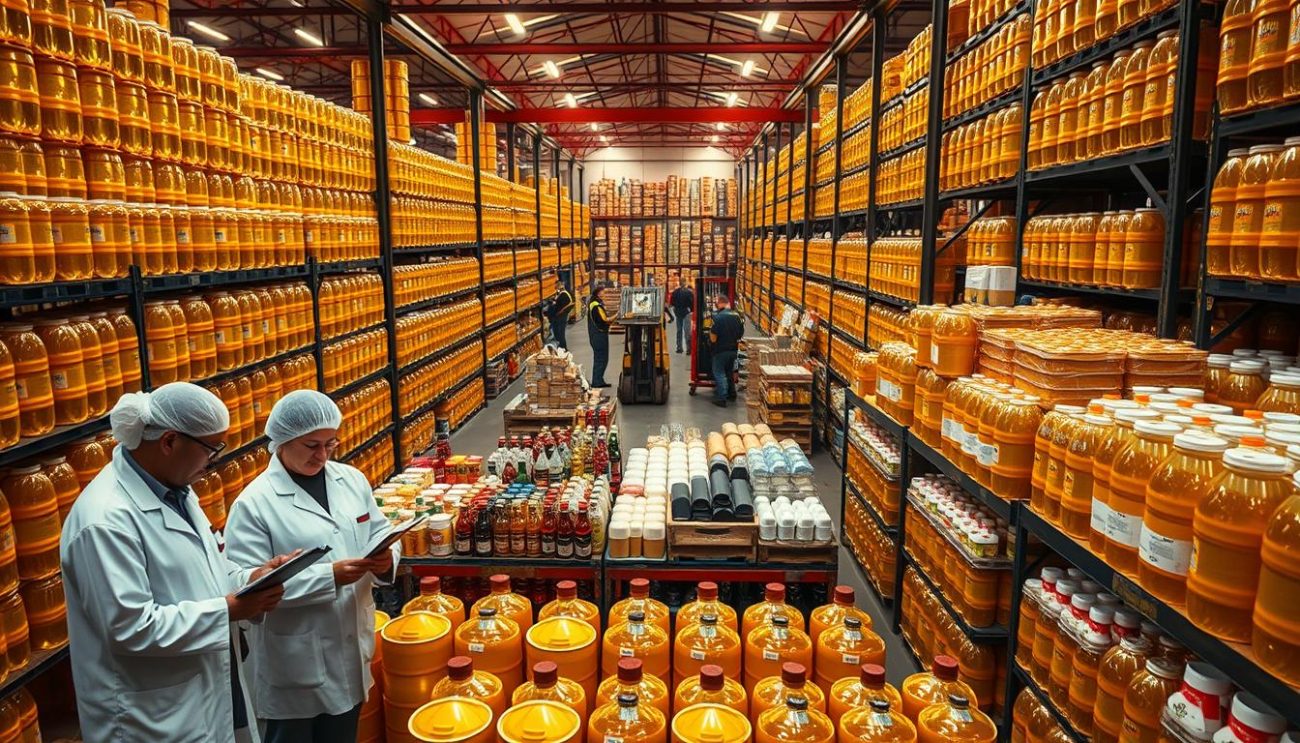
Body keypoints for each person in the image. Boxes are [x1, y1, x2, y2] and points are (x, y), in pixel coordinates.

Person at [61, 383, 297, 743]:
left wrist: (250, 577)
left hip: (200, 695)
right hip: (150, 716)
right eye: (210, 449)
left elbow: (205, 572)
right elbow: (132, 627)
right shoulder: (105, 520)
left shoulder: (175, 491)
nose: (213, 461)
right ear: (170, 441)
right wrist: (230, 610)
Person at [225, 390, 401, 743]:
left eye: (330, 444)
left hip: (350, 648)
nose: (322, 455)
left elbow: (379, 530)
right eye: (311, 446)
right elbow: (243, 588)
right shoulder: (254, 504)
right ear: (282, 442)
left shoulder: (350, 480)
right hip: (293, 665)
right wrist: (330, 577)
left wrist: (386, 561)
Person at [708, 295, 745, 408]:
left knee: (719, 372)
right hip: (733, 350)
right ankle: (732, 394)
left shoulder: (717, 318)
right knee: (729, 371)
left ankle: (722, 398)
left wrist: (712, 343)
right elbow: (740, 334)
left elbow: (713, 337)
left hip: (720, 350)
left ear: (719, 303)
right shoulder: (737, 316)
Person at [587, 285, 611, 388]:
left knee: (602, 358)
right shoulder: (595, 305)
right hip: (598, 335)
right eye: (603, 292)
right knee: (601, 358)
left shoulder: (596, 304)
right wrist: (619, 315)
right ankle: (597, 381)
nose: (604, 294)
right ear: (598, 293)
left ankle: (599, 379)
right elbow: (605, 320)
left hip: (597, 335)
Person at [670, 277, 695, 354]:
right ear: (685, 282)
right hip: (686, 312)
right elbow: (692, 303)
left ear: (679, 283)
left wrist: (675, 309)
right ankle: (688, 349)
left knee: (679, 330)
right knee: (687, 331)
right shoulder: (689, 292)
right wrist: (691, 310)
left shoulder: (675, 292)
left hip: (678, 312)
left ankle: (679, 348)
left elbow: (672, 303)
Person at [547, 283, 575, 350]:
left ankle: (563, 348)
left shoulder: (564, 294)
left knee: (559, 333)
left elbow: (558, 306)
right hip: (561, 315)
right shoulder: (565, 293)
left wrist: (553, 304)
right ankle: (562, 347)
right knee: (559, 333)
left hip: (560, 316)